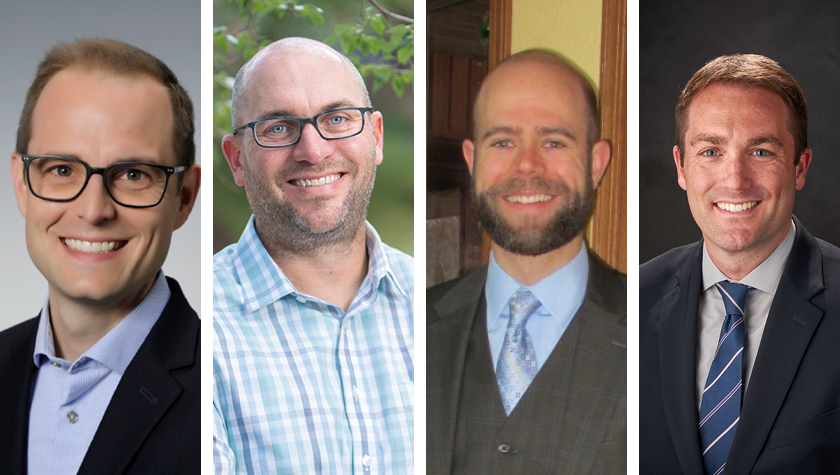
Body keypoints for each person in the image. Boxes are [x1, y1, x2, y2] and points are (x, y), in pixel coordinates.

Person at [213, 37, 414, 474]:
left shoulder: (433, 305)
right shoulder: (196, 322)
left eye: (338, 118)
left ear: (375, 137)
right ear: (237, 160)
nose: (314, 151)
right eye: (278, 128)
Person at [0, 38, 201, 474]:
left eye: (133, 174)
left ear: (184, 197)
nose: (93, 211)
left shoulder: (225, 386)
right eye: (61, 170)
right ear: (20, 182)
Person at [426, 49, 626, 474]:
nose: (527, 165)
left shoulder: (661, 327)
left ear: (596, 164)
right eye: (502, 141)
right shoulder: (408, 326)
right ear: (471, 160)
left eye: (553, 141)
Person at [640, 54, 840, 474]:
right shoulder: (634, 302)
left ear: (799, 167)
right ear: (682, 167)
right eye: (711, 151)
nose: (735, 180)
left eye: (761, 151)